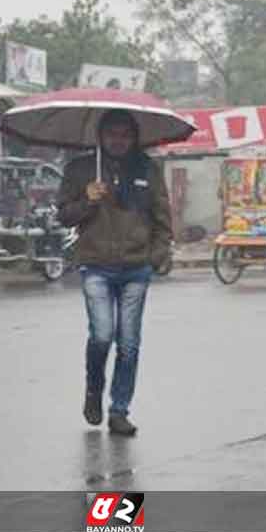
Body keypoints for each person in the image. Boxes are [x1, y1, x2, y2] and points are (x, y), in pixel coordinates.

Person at [56, 109, 172, 436]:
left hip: (137, 268)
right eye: (111, 134)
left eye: (125, 134)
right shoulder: (80, 170)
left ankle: (119, 410)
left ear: (134, 137)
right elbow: (64, 216)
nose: (118, 140)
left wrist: (156, 256)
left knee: (129, 344)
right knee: (102, 334)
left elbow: (163, 218)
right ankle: (94, 388)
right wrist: (87, 200)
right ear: (100, 136)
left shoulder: (148, 169)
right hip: (95, 265)